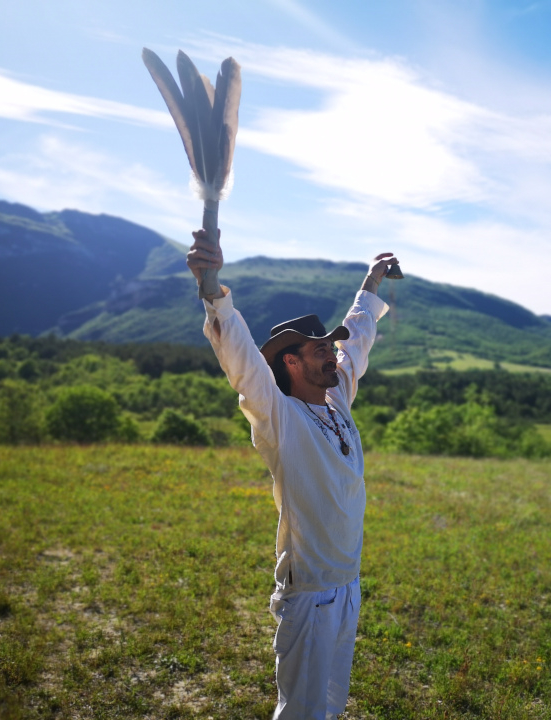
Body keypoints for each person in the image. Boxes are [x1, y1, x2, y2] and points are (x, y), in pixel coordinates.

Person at [186, 228, 397, 720]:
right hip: (310, 593)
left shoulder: (336, 398)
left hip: (347, 585)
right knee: (301, 711)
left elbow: (358, 335)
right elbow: (240, 361)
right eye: (320, 349)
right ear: (290, 361)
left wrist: (370, 283)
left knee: (328, 705)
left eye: (331, 347)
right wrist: (213, 292)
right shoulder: (279, 417)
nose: (334, 354)